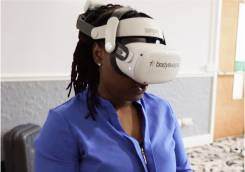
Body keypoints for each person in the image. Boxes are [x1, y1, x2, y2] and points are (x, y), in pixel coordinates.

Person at [34, 1, 192, 172]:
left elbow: (182, 169)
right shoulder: (64, 123)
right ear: (99, 54)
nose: (143, 80)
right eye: (134, 62)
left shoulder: (163, 110)